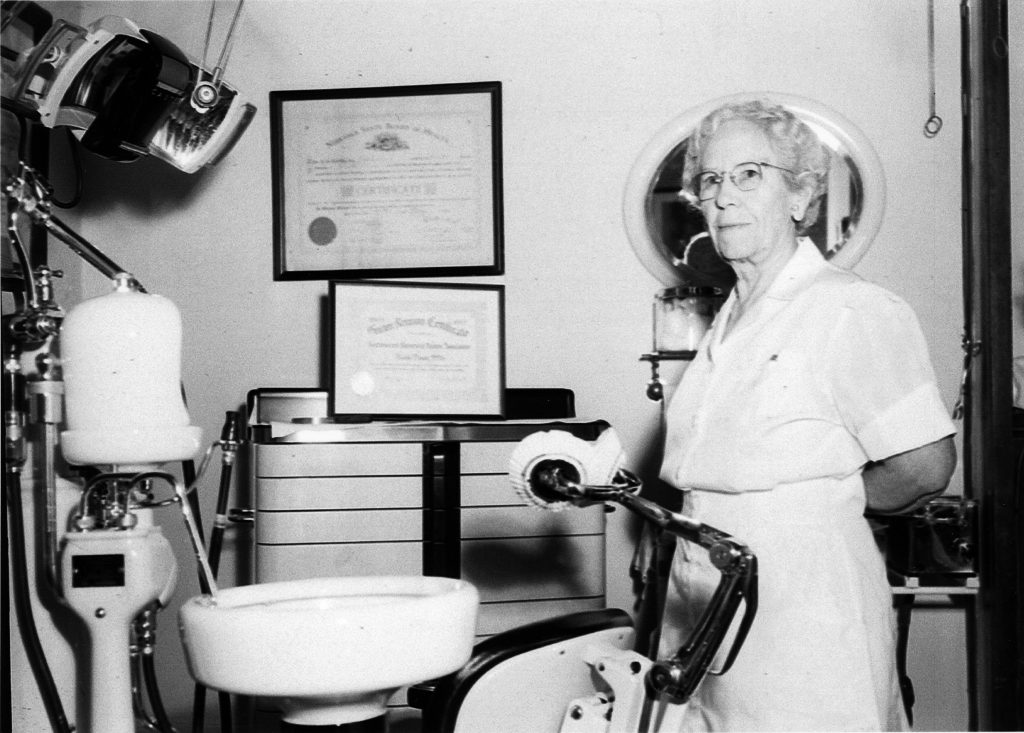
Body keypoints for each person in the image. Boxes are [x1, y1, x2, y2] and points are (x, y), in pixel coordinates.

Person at [656, 99, 957, 731]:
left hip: (802, 606)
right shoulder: (728, 319)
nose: (724, 197)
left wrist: (821, 504)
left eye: (749, 175)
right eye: (710, 180)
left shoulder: (851, 310)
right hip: (703, 596)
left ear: (799, 195)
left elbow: (925, 467)